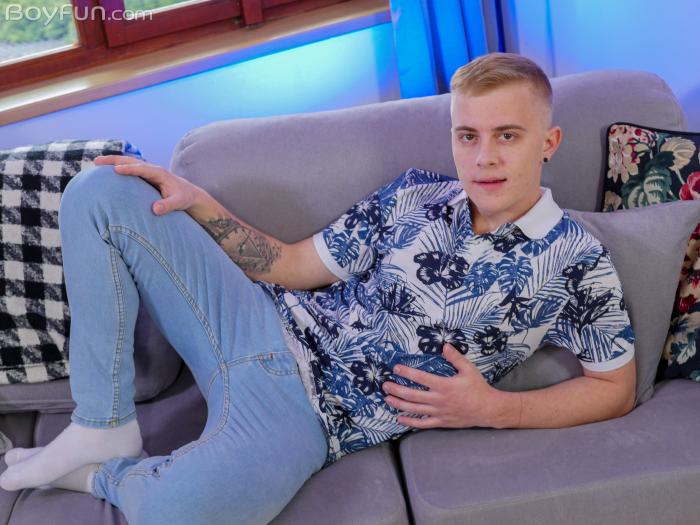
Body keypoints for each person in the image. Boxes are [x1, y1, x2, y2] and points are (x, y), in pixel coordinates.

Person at [0, 52, 636, 524]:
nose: (483, 158)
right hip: (252, 320)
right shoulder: (416, 192)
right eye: (468, 135)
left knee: (178, 514)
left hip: (306, 419)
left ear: (548, 142)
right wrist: (198, 204)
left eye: (507, 136)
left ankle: (104, 475)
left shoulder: (577, 260)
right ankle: (104, 422)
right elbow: (292, 264)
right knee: (102, 189)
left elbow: (615, 387)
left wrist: (496, 409)